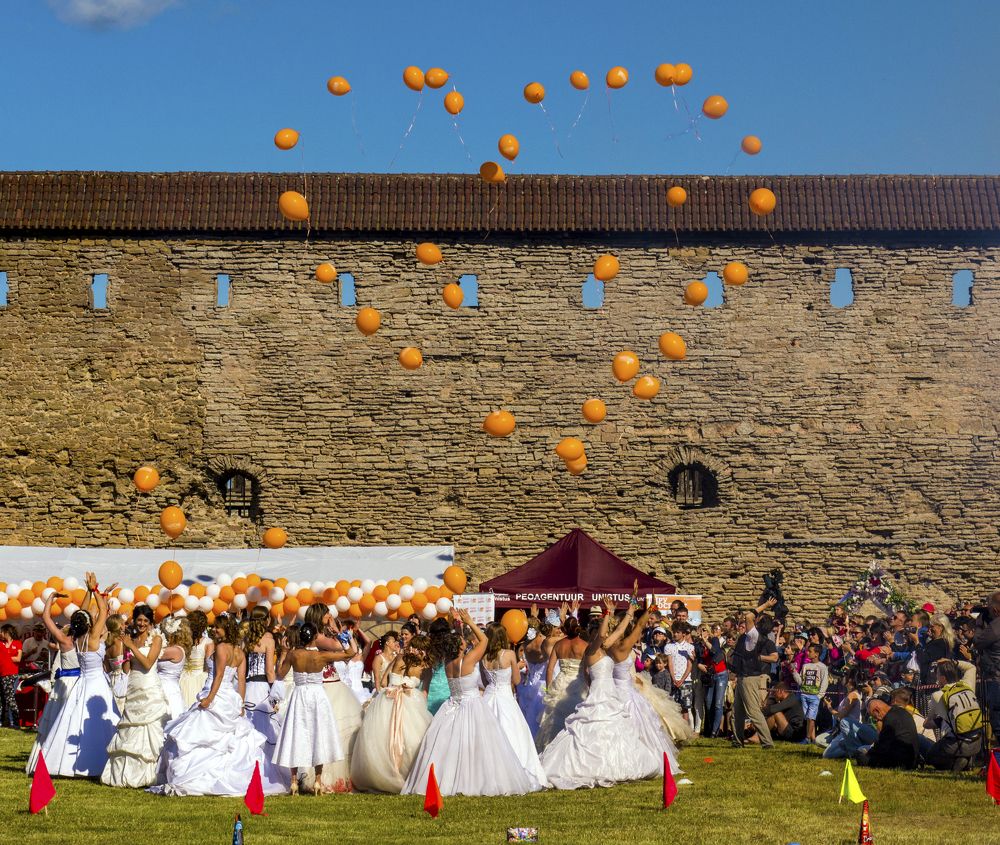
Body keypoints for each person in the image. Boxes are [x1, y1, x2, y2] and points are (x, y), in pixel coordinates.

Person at [403, 608, 543, 796]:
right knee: (479, 746)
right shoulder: (468, 661)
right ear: (461, 647)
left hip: (452, 706)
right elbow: (484, 640)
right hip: (472, 705)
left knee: (452, 747)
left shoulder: (448, 663)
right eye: (463, 642)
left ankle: (450, 780)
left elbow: (459, 644)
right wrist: (469, 621)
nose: (465, 641)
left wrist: (458, 627)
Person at [152, 614, 280, 797]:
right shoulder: (239, 652)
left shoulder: (221, 648)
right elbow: (241, 681)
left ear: (225, 629)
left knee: (200, 734)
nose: (213, 630)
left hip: (216, 694)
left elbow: (219, 676)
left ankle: (199, 777)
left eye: (217, 627)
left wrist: (209, 699)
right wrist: (240, 704)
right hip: (229, 697)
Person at [541, 603, 660, 789]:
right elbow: (604, 635)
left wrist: (632, 609)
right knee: (593, 729)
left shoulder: (605, 648)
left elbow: (621, 629)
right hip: (598, 694)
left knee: (615, 730)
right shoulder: (591, 651)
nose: (605, 636)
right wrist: (606, 613)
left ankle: (617, 763)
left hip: (610, 694)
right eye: (600, 634)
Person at [29, 573, 118, 777]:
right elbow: (103, 610)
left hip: (80, 683)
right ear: (89, 623)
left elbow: (47, 617)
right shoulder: (94, 637)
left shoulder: (73, 640)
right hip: (95, 682)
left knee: (73, 720)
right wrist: (97, 591)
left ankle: (64, 760)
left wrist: (51, 601)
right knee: (100, 721)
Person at [271, 621, 352, 795]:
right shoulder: (322, 656)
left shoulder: (293, 654)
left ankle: (293, 782)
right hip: (317, 697)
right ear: (315, 637)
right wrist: (339, 635)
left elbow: (281, 673)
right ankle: (317, 781)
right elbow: (351, 653)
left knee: (295, 734)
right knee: (318, 735)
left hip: (299, 695)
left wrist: (284, 651)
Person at [350, 634, 432, 793]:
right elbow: (424, 690)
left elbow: (383, 681)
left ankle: (387, 773)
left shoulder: (402, 658)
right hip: (403, 699)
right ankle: (403, 775)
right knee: (404, 738)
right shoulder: (421, 665)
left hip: (389, 698)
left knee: (384, 738)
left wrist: (394, 684)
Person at [608, 601, 682, 773]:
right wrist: (647, 608)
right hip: (626, 689)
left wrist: (610, 614)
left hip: (614, 688)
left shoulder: (607, 646)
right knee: (640, 725)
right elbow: (641, 624)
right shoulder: (625, 647)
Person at [101, 604, 169, 788]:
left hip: (149, 687)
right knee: (130, 727)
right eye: (139, 620)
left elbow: (147, 664)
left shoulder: (156, 639)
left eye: (145, 621)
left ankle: (149, 773)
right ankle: (126, 774)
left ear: (150, 622)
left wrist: (131, 646)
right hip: (133, 686)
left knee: (150, 727)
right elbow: (126, 668)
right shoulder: (130, 639)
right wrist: (123, 654)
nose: (141, 624)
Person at [300, 603, 361, 793]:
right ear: (321, 616)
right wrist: (337, 630)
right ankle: (323, 778)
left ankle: (343, 776)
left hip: (336, 685)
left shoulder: (324, 636)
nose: (331, 615)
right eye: (328, 614)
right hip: (326, 688)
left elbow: (353, 651)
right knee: (327, 733)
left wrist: (338, 631)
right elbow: (344, 648)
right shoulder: (318, 638)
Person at [480, 623, 547, 786]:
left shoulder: (483, 657)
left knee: (487, 735)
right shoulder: (509, 654)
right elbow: (517, 680)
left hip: (488, 696)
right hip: (505, 697)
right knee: (512, 732)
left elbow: (483, 681)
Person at [26, 592, 81, 769]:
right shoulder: (86, 642)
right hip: (76, 684)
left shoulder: (65, 640)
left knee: (58, 720)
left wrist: (51, 598)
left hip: (66, 684)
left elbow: (46, 617)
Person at [242, 607, 290, 794]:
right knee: (266, 730)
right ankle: (266, 772)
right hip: (262, 688)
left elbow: (243, 669)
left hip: (248, 688)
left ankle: (248, 770)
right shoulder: (269, 640)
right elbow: (270, 671)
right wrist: (273, 691)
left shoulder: (245, 640)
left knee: (249, 730)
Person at [535, 612, 589, 751]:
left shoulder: (559, 645)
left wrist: (548, 690)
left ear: (564, 629)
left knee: (555, 720)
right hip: (578, 683)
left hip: (560, 683)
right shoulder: (584, 645)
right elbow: (587, 670)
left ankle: (553, 750)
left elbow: (550, 669)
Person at [729, 612, 778, 749]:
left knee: (753, 711)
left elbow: (775, 657)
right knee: (737, 712)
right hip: (743, 676)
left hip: (750, 677)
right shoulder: (753, 637)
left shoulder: (755, 636)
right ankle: (738, 741)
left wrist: (759, 657)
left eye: (758, 620)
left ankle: (767, 743)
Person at [925, 660, 984, 771]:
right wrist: (953, 661)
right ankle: (966, 759)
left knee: (930, 756)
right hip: (977, 743)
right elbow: (971, 667)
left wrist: (936, 722)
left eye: (937, 675)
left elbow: (928, 723)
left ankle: (956, 764)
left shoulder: (938, 695)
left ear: (942, 678)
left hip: (957, 743)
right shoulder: (967, 684)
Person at [857, 688, 920, 769]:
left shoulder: (889, 719)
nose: (876, 720)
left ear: (877, 711)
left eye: (874, 717)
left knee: (861, 756)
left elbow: (883, 747)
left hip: (900, 762)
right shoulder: (902, 712)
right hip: (911, 759)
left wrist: (869, 754)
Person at [973, 590, 1000, 746]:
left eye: (989, 609)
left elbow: (978, 642)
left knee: (997, 720)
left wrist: (979, 622)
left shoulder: (996, 625)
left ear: (995, 610)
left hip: (996, 678)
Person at [518, 619, 551, 738]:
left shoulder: (526, 645)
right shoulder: (544, 643)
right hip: (542, 688)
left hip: (529, 686)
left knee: (528, 720)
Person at [793, 643, 829, 743]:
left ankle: (807, 738)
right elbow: (801, 681)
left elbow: (824, 682)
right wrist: (794, 672)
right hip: (804, 694)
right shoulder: (805, 666)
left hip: (815, 696)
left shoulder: (822, 667)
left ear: (816, 654)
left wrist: (819, 696)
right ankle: (812, 738)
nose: (807, 653)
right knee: (807, 717)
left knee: (811, 717)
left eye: (810, 651)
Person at [157, 616, 190, 720]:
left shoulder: (175, 651)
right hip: (165, 686)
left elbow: (151, 654)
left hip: (167, 689)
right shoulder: (175, 649)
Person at [664, 621, 695, 725]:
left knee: (685, 707)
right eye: (674, 632)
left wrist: (682, 679)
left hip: (686, 681)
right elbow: (670, 663)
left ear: (683, 634)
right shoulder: (669, 646)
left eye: (678, 632)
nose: (675, 634)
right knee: (674, 706)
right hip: (673, 680)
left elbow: (689, 665)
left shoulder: (690, 647)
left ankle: (686, 730)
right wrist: (673, 678)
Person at [178, 610, 210, 707]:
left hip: (182, 678)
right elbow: (209, 666)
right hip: (199, 679)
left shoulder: (183, 641)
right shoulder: (208, 642)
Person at [424, 617, 454, 716]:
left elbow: (427, 670)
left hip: (434, 686)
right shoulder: (452, 648)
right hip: (449, 686)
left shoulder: (430, 649)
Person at [103, 615, 129, 712]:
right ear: (119, 626)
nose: (125, 626)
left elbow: (107, 669)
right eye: (123, 623)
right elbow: (126, 668)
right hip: (124, 680)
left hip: (112, 680)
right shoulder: (121, 643)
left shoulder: (106, 644)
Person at [0, 623, 22, 728]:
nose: (0, 633)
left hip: (12, 673)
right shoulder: (1, 643)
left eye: (2, 631)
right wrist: (10, 656)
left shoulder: (17, 643)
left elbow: (18, 659)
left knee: (10, 698)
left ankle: (15, 722)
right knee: (3, 699)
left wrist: (5, 656)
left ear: (7, 632)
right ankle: (5, 721)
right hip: (3, 673)